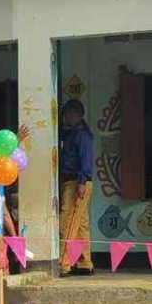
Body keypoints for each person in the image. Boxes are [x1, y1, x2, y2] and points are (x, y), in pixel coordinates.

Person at [59, 100, 95, 275]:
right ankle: (84, 263)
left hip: (77, 182)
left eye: (68, 114)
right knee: (80, 224)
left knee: (68, 221)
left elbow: (85, 160)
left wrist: (82, 181)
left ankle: (63, 263)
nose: (66, 118)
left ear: (77, 115)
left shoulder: (81, 134)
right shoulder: (72, 132)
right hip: (75, 181)